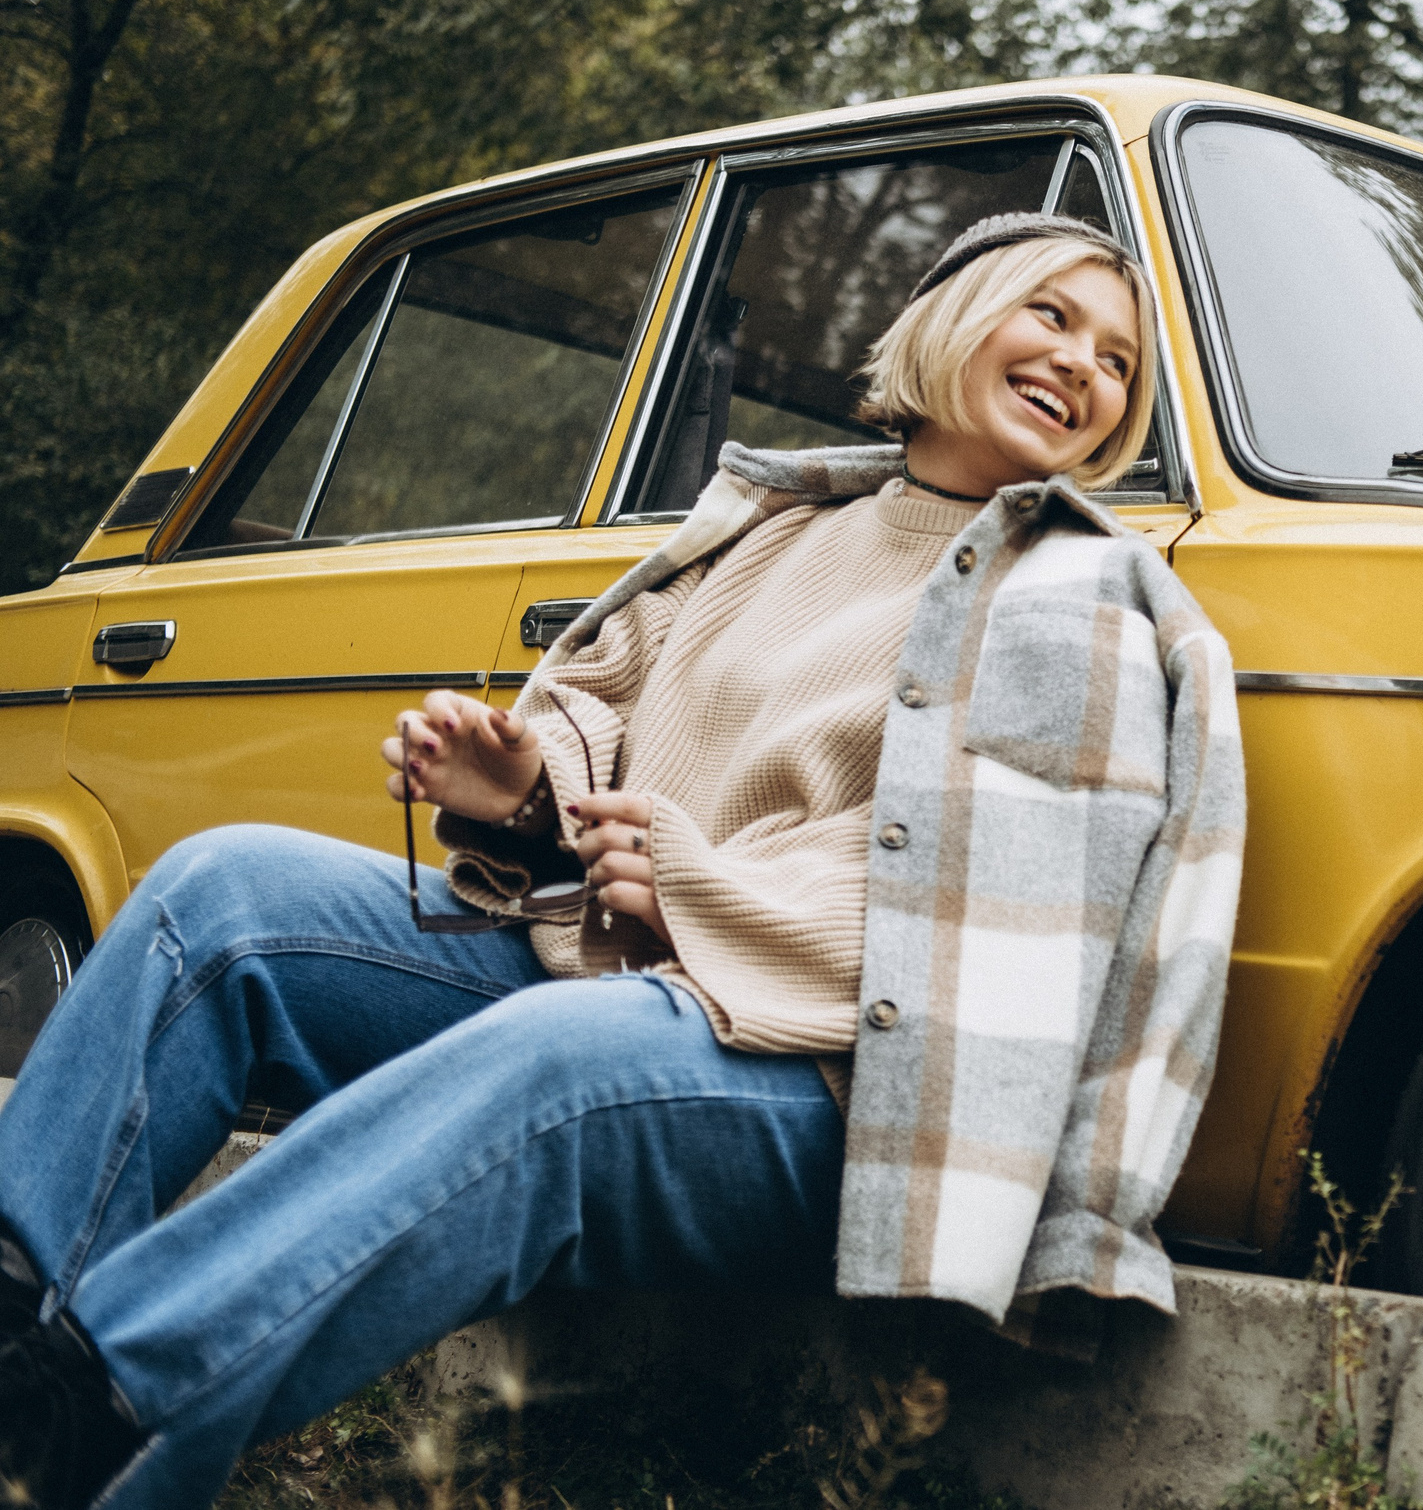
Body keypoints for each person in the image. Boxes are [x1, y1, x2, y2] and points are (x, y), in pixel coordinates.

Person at [0, 213, 1246, 1510]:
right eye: (1052, 315)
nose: (1083, 366)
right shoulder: (777, 524)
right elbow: (611, 716)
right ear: (954, 312)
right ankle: (14, 1326)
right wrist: (530, 788)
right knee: (224, 897)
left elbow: (1021, 931)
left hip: (832, 1084)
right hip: (620, 978)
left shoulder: (1080, 598)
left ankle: (93, 1411)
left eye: (1117, 358)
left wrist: (703, 891)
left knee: (559, 1061)